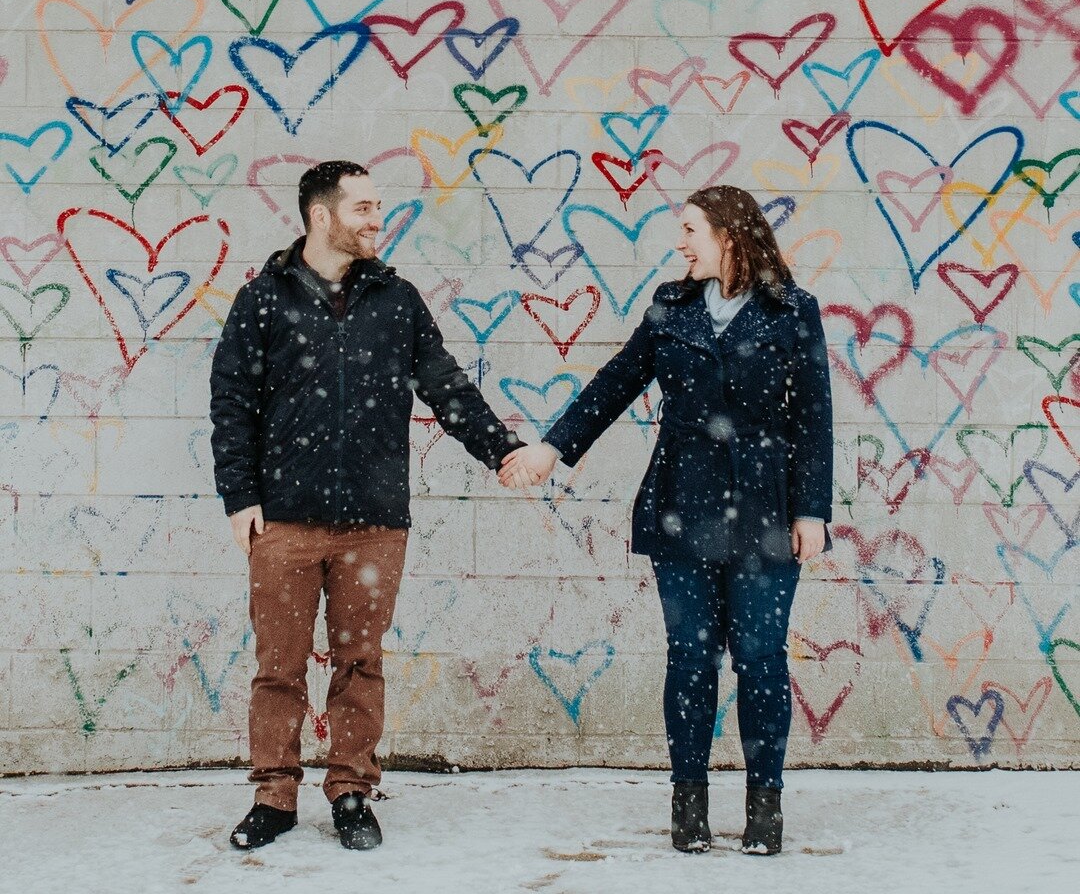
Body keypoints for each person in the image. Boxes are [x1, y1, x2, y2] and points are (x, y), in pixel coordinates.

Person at [500, 184, 833, 856]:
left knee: (762, 660)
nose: (680, 244)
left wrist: (812, 511)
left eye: (690, 231)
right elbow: (615, 383)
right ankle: (690, 805)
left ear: (730, 236)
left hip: (766, 510)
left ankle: (765, 807)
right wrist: (551, 446)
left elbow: (814, 416)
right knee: (690, 659)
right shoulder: (670, 309)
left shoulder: (793, 312)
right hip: (680, 507)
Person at [210, 160, 525, 851]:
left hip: (375, 520)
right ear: (320, 216)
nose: (376, 219)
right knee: (279, 667)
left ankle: (351, 790)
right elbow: (231, 404)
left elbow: (446, 388)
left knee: (360, 662)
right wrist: (240, 498)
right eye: (362, 208)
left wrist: (500, 450)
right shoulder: (264, 299)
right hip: (285, 520)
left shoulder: (397, 300)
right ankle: (275, 794)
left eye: (378, 206)